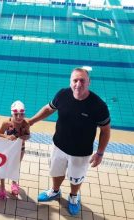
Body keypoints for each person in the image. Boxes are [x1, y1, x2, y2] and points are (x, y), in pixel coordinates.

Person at [28, 67, 110, 216]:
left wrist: (100, 153)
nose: (78, 84)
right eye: (75, 80)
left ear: (89, 82)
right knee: (56, 171)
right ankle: (54, 191)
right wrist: (31, 121)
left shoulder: (98, 106)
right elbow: (49, 108)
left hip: (81, 153)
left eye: (82, 80)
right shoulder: (63, 94)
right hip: (58, 146)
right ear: (70, 82)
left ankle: (73, 196)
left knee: (75, 177)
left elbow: (105, 131)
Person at [0, 100, 30, 199]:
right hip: (7, 149)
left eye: (21, 114)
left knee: (15, 166)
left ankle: (14, 183)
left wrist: (24, 137)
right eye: (16, 114)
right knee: (3, 166)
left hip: (20, 149)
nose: (19, 117)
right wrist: (7, 137)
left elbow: (28, 135)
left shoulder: (25, 123)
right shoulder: (7, 123)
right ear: (12, 114)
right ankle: (2, 186)